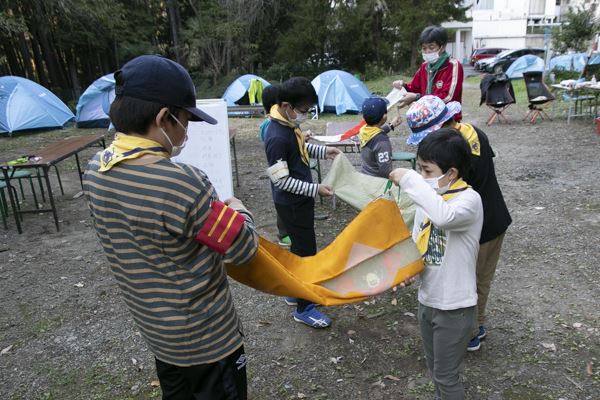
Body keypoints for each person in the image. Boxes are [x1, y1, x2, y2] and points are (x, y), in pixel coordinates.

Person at [82, 55, 259, 400]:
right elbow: (243, 246)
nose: (187, 131)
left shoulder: (95, 169)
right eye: (186, 121)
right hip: (208, 344)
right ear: (164, 117)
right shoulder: (182, 183)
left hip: (160, 334)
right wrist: (239, 209)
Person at [405, 95, 512, 351]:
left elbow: (446, 209)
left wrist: (414, 184)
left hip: (482, 225)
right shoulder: (464, 134)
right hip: (465, 223)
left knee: (473, 279)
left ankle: (471, 331)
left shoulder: (462, 157)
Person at [389, 129, 483, 400]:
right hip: (428, 300)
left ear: (451, 173)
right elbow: (421, 242)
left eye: (427, 171)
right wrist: (408, 268)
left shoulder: (469, 201)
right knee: (434, 368)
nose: (422, 177)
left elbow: (444, 218)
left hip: (455, 307)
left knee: (446, 375)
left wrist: (408, 178)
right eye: (418, 170)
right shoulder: (427, 201)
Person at [263, 76, 341, 328]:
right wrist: (316, 188)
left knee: (299, 249)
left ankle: (294, 290)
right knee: (306, 253)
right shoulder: (276, 136)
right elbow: (282, 181)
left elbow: (300, 151)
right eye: (303, 110)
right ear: (287, 105)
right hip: (292, 203)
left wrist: (323, 150)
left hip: (300, 201)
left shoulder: (286, 124)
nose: (305, 115)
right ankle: (304, 307)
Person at [392, 25, 464, 121]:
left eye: (431, 47)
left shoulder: (453, 65)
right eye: (424, 48)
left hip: (447, 120)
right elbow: (414, 88)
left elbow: (448, 97)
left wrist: (417, 97)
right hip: (427, 119)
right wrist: (403, 86)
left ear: (442, 47)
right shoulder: (424, 66)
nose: (427, 51)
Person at [258, 84, 291, 247]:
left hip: (281, 164)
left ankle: (287, 230)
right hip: (278, 166)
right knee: (282, 197)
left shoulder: (270, 124)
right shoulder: (271, 125)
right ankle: (284, 234)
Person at [358, 96, 402, 178]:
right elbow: (385, 171)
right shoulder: (382, 142)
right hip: (377, 183)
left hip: (365, 177)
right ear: (384, 116)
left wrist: (391, 125)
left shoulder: (364, 131)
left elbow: (376, 132)